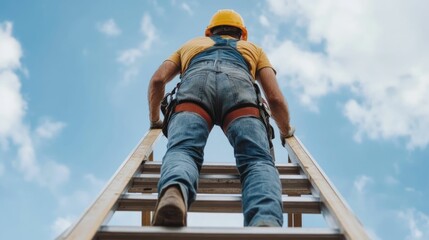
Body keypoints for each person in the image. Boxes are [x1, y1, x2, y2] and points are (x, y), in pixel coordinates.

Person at [148, 9, 294, 227]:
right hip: (240, 95)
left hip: (193, 91)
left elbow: (158, 80)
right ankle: (264, 220)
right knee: (257, 160)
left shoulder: (190, 45)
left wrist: (155, 121)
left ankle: (174, 193)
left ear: (209, 32)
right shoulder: (253, 49)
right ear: (242, 34)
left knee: (183, 150)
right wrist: (286, 131)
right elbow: (275, 99)